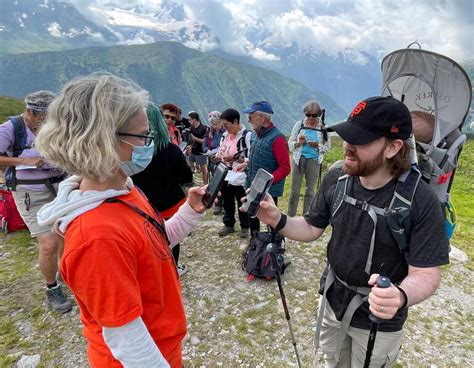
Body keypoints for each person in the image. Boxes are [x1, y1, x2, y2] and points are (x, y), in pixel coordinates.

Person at [251, 96, 449, 367]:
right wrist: (279, 219)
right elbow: (311, 227)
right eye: (347, 136)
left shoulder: (420, 200)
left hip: (379, 322)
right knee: (332, 362)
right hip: (333, 301)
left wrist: (399, 296)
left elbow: (426, 273)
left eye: (361, 140)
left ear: (393, 147)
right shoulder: (337, 177)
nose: (347, 147)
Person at [36, 73, 206, 367]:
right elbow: (127, 340)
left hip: (162, 346)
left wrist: (189, 211)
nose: (150, 143)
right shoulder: (97, 236)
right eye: (143, 135)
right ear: (103, 140)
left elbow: (155, 242)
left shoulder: (124, 190)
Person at [0, 91, 72, 313]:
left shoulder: (55, 126)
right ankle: (52, 288)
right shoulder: (10, 129)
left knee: (65, 234)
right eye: (43, 116)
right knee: (48, 243)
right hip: (31, 192)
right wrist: (24, 160)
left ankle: (66, 273)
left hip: (60, 187)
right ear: (30, 112)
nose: (47, 121)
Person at [131, 103, 193, 277]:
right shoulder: (172, 150)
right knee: (172, 239)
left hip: (143, 207)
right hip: (171, 204)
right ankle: (172, 269)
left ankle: (153, 270)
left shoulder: (134, 153)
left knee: (148, 240)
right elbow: (186, 178)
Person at [235, 100, 290, 234]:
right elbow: (257, 156)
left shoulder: (277, 139)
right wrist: (246, 163)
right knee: (251, 213)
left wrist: (265, 182)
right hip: (251, 184)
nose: (248, 119)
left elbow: (285, 168)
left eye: (251, 115)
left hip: (269, 189)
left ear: (262, 117)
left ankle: (274, 245)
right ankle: (255, 243)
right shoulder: (255, 134)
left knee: (271, 218)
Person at [287, 100, 331, 216]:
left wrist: (317, 145)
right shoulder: (299, 125)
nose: (310, 118)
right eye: (308, 115)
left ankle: (307, 218)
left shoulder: (323, 127)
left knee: (310, 192)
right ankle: (290, 217)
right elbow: (290, 143)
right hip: (298, 159)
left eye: (314, 115)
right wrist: (298, 142)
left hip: (314, 160)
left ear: (318, 114)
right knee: (294, 192)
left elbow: (327, 147)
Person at [213, 108, 252, 238]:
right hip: (226, 172)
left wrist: (236, 159)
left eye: (226, 125)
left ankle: (245, 226)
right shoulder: (225, 135)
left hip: (240, 174)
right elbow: (221, 149)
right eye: (223, 125)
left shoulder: (247, 136)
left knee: (242, 200)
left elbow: (251, 157)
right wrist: (217, 157)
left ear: (235, 122)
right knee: (227, 200)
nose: (224, 128)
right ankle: (228, 224)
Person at [203, 111, 225, 215]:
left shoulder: (225, 132)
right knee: (215, 182)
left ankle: (223, 204)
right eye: (212, 124)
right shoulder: (209, 131)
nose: (214, 126)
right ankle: (218, 204)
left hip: (221, 160)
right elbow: (204, 143)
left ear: (221, 122)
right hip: (211, 160)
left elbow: (225, 145)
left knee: (223, 183)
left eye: (216, 124)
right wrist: (207, 150)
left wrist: (218, 153)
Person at [187, 111, 209, 185]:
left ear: (195, 119)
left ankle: (205, 185)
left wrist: (194, 138)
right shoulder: (191, 128)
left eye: (190, 119)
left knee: (203, 169)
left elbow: (204, 142)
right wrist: (189, 145)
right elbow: (190, 140)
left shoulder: (204, 128)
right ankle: (191, 182)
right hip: (193, 150)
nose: (189, 121)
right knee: (190, 166)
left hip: (201, 152)